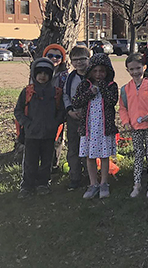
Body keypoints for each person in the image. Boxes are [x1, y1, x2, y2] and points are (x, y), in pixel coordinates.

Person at [14, 58, 66, 198]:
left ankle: (43, 183)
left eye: (46, 73)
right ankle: (27, 186)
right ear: (34, 74)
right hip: (31, 134)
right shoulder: (28, 92)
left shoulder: (56, 92)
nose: (42, 76)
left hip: (49, 134)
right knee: (30, 162)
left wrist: (55, 123)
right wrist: (26, 123)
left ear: (51, 75)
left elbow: (61, 111)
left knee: (47, 161)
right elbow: (18, 110)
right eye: (39, 73)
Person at [72, 53, 119, 199]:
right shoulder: (84, 85)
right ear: (90, 71)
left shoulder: (111, 86)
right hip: (89, 127)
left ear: (108, 72)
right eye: (95, 71)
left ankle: (104, 182)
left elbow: (112, 101)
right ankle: (93, 184)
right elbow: (76, 102)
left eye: (102, 71)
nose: (98, 74)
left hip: (104, 127)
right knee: (89, 156)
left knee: (104, 155)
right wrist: (88, 93)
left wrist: (103, 88)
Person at [120, 53, 148, 197]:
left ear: (144, 67)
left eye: (138, 68)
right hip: (135, 127)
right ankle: (137, 184)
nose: (135, 72)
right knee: (138, 154)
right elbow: (122, 108)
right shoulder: (125, 89)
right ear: (128, 70)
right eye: (131, 69)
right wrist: (126, 122)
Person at [63, 46, 92, 191]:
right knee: (73, 148)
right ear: (72, 62)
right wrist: (70, 111)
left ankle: (90, 175)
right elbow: (65, 95)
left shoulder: (93, 76)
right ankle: (75, 176)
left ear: (89, 59)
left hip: (91, 118)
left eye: (83, 59)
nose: (79, 62)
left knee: (88, 148)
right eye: (75, 60)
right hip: (74, 117)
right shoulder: (70, 78)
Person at [42, 44, 69, 170]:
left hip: (57, 111)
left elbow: (66, 93)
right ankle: (42, 164)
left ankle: (54, 165)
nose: (54, 59)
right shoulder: (39, 71)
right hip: (41, 111)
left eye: (58, 56)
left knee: (56, 139)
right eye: (50, 56)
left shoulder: (64, 75)